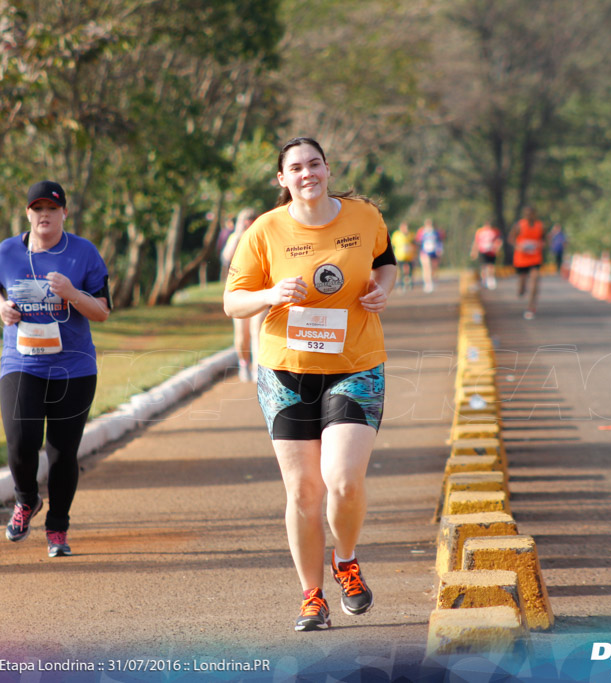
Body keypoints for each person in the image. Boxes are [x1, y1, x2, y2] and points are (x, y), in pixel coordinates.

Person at [223, 137, 397, 632]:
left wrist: (382, 289)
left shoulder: (364, 216)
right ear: (282, 179)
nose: (307, 174)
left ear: (327, 169)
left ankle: (346, 561)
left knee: (343, 480)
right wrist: (269, 293)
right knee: (303, 492)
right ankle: (312, 597)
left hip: (355, 365)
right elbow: (232, 303)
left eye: (314, 164)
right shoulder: (264, 231)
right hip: (286, 373)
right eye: (295, 168)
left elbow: (385, 261)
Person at [0, 180, 111, 558]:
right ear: (28, 214)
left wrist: (72, 293)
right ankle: (26, 500)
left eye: (52, 210)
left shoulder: (83, 254)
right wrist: (0, 307)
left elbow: (101, 311)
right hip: (21, 363)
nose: (44, 216)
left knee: (61, 452)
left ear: (64, 213)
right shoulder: (7, 252)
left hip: (74, 367)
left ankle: (58, 528)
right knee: (20, 442)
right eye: (37, 209)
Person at [220, 208, 264, 381]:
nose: (249, 223)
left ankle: (257, 368)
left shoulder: (261, 235)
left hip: (260, 290)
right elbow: (225, 257)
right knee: (241, 333)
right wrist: (239, 234)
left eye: (252, 219)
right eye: (246, 220)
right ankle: (244, 363)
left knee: (257, 330)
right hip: (239, 291)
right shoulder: (235, 238)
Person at [509, 205, 545, 319]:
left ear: (535, 214)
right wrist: (518, 247)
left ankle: (531, 307)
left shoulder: (540, 226)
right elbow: (511, 239)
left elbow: (544, 240)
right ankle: (521, 289)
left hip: (535, 257)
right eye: (527, 214)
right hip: (521, 258)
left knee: (535, 279)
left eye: (531, 214)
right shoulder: (519, 225)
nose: (529, 216)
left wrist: (541, 244)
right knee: (522, 286)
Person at [470, 220, 503, 290]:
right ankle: (484, 280)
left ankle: (490, 280)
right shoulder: (480, 231)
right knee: (484, 266)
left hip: (491, 251)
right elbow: (476, 242)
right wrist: (474, 251)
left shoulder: (495, 231)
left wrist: (497, 248)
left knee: (490, 266)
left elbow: (499, 241)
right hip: (483, 250)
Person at [416, 218, 443, 292]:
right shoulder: (422, 232)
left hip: (434, 252)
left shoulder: (436, 232)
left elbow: (439, 242)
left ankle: (434, 280)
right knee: (426, 267)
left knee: (434, 268)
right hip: (424, 252)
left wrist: (439, 250)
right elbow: (418, 241)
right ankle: (428, 283)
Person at [390, 221, 416, 291]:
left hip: (409, 256)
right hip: (400, 256)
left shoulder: (411, 234)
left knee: (410, 271)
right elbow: (392, 245)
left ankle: (410, 284)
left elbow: (414, 244)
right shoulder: (396, 235)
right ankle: (401, 285)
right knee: (401, 271)